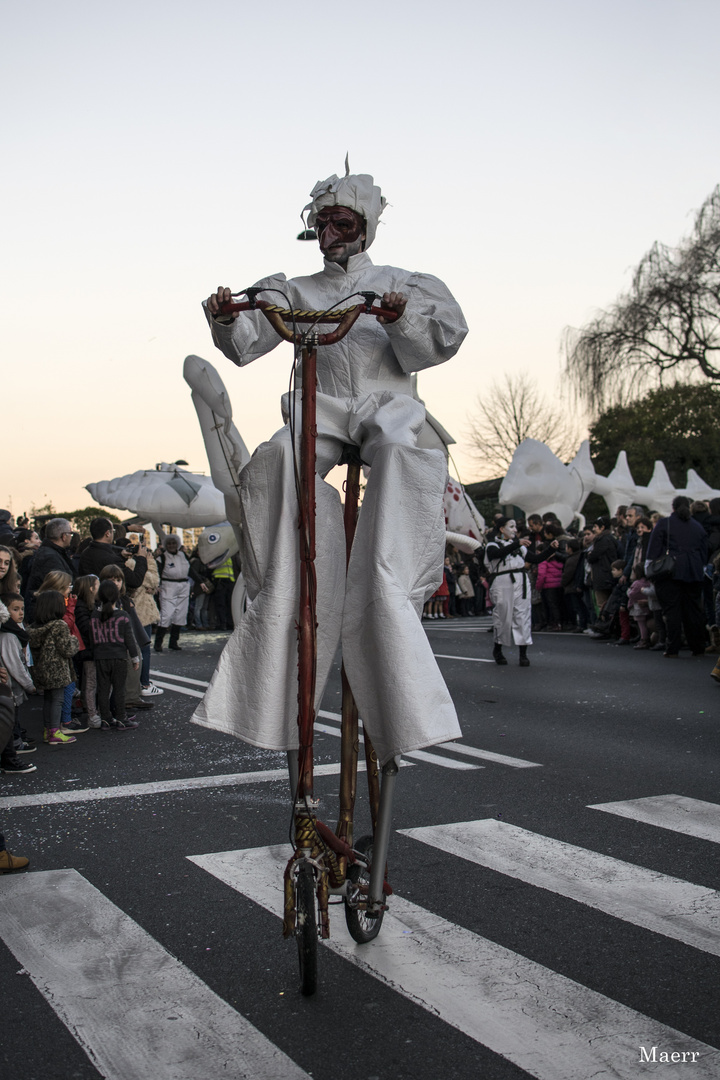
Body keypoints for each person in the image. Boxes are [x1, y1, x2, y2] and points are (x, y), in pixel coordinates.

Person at [195, 168, 468, 766]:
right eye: (322, 223)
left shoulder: (400, 282)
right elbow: (246, 341)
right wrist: (225, 315)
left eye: (342, 223)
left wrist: (400, 319)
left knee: (402, 451)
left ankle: (389, 577)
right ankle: (284, 578)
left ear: (366, 228)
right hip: (320, 407)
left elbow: (444, 338)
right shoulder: (295, 288)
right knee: (274, 460)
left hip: (384, 403)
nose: (330, 233)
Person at [646, 495, 708, 658]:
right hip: (693, 570)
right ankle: (697, 646)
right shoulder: (697, 526)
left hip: (670, 571)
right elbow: (703, 551)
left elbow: (653, 549)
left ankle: (672, 647)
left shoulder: (664, 523)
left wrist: (650, 568)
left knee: (671, 611)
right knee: (693, 611)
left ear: (673, 507)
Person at [28, 590, 79, 746]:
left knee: (48, 700)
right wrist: (74, 641)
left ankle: (47, 729)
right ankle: (55, 731)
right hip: (57, 670)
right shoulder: (59, 625)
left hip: (41, 670)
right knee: (57, 699)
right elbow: (67, 650)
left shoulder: (34, 628)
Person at [89, 580, 140, 730]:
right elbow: (129, 639)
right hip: (118, 657)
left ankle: (105, 719)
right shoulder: (122, 615)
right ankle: (121, 717)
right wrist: (135, 658)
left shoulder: (94, 616)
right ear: (117, 596)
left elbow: (92, 639)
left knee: (103, 689)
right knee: (119, 689)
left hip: (100, 657)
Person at [485, 518, 533, 666]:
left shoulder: (520, 547)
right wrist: (515, 544)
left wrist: (551, 549)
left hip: (521, 580)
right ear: (501, 529)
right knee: (503, 617)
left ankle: (523, 654)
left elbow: (535, 558)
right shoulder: (493, 545)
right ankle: (498, 649)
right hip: (502, 582)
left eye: (515, 527)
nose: (514, 530)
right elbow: (496, 554)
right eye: (511, 527)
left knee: (522, 615)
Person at [23, 518, 76, 620]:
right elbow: (58, 586)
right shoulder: (50, 557)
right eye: (70, 533)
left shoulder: (51, 553)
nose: (71, 537)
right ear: (63, 536)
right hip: (48, 615)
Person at [78, 518, 149, 591]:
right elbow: (135, 581)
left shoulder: (86, 552)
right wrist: (141, 558)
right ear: (108, 533)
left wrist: (121, 556)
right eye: (113, 531)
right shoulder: (110, 558)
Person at [155, 534, 192, 652]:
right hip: (168, 586)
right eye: (169, 543)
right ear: (166, 545)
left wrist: (201, 581)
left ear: (178, 544)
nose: (172, 545)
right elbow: (158, 572)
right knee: (166, 614)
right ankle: (158, 643)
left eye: (174, 543)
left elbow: (191, 571)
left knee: (180, 614)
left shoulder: (183, 556)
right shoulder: (162, 558)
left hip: (184, 586)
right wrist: (157, 585)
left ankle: (173, 642)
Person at [585, 516, 618, 610]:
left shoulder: (602, 540)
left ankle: (605, 623)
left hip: (602, 578)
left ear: (602, 527)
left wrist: (589, 555)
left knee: (602, 604)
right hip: (608, 577)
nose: (594, 529)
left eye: (595, 526)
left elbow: (593, 556)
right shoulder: (611, 539)